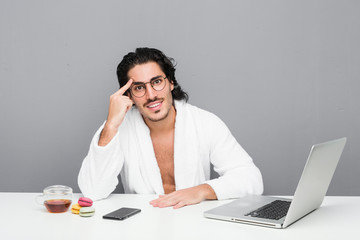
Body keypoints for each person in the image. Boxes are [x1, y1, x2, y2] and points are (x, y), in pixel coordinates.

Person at [78, 47, 263, 209]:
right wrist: (110, 125)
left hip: (196, 227)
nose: (151, 95)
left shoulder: (205, 122)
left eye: (157, 82)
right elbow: (92, 191)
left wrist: (200, 191)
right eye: (139, 88)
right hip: (141, 227)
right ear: (129, 95)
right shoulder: (117, 127)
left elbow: (251, 179)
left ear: (171, 83)